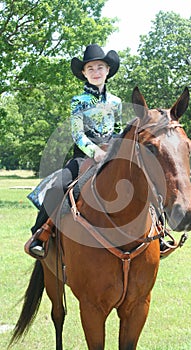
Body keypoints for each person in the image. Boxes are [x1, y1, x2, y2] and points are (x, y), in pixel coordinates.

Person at [28, 44, 122, 258]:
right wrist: (95, 152)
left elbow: (117, 131)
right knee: (59, 185)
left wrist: (114, 150)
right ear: (83, 73)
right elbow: (77, 134)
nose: (96, 72)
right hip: (83, 157)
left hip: (111, 155)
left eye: (100, 67)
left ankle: (158, 233)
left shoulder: (116, 102)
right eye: (91, 69)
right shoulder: (78, 101)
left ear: (108, 70)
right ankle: (40, 234)